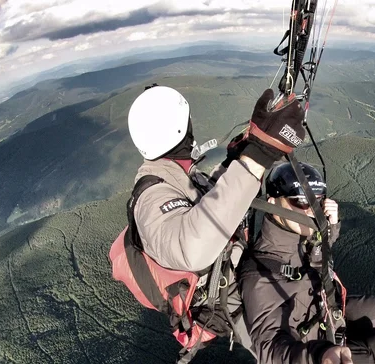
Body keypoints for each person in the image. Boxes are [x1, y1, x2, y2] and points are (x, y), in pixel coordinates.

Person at [111, 85, 306, 362]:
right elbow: (192, 248)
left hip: (243, 278)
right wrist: (260, 153)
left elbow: (210, 197)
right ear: (182, 130)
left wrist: (240, 157)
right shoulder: (152, 197)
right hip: (234, 302)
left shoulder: (174, 175)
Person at [238, 162, 375, 364]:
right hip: (312, 344)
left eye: (317, 201)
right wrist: (319, 354)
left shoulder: (300, 235)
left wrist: (329, 230)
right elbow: (269, 349)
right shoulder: (260, 272)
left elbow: (316, 258)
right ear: (272, 203)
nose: (312, 211)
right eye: (301, 201)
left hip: (325, 311)